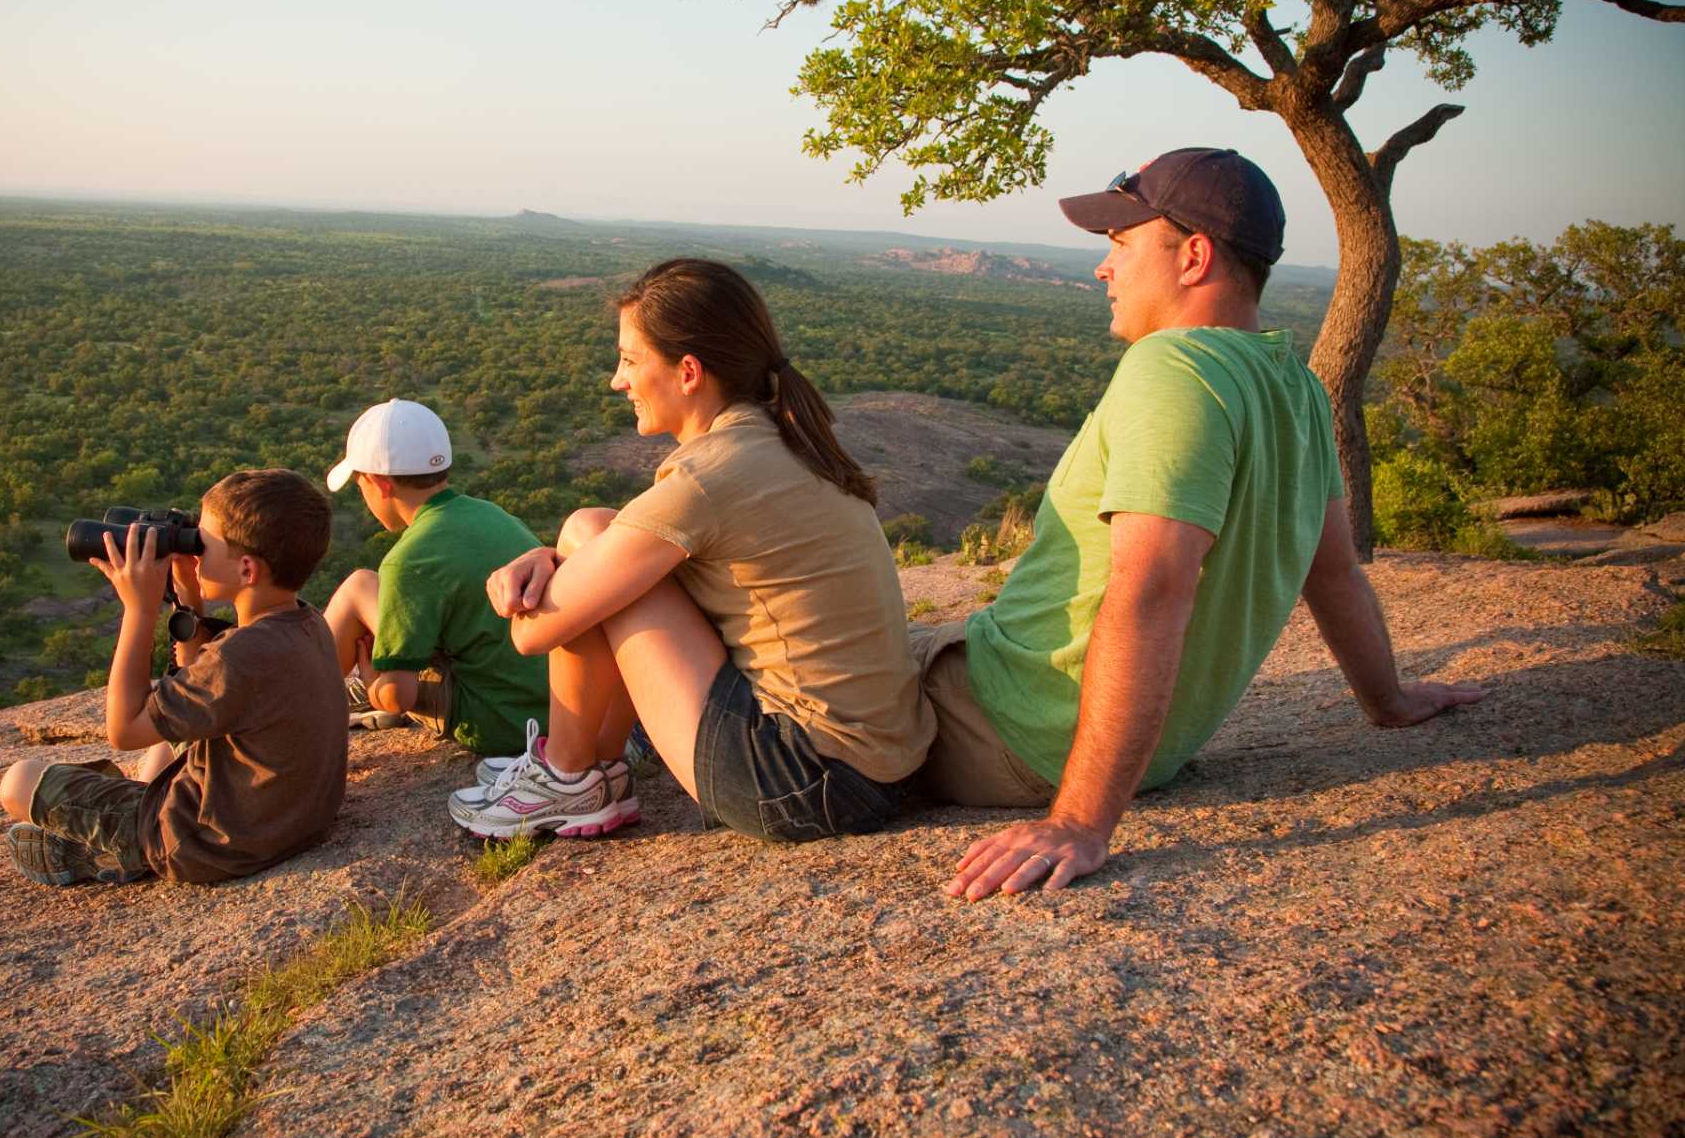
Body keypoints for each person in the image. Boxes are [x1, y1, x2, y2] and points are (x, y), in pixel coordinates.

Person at [922, 147, 1484, 901]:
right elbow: (1335, 571)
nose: (1103, 267)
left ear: (1193, 255)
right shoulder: (1299, 389)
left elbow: (1154, 587)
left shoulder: (1173, 369)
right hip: (1136, 751)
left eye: (1121, 243)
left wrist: (1080, 823)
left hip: (1018, 726)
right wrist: (1389, 700)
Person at [451, 257, 936, 842]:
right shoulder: (781, 439)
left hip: (801, 780)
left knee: (586, 529)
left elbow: (535, 633)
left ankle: (568, 776)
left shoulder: (708, 476)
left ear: (687, 372)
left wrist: (557, 561)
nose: (617, 380)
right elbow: (628, 542)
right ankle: (595, 773)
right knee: (591, 530)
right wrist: (556, 556)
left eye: (629, 360)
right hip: (881, 769)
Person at [0, 468, 346, 886]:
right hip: (288, 826)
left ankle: (120, 850)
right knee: (165, 744)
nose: (194, 552)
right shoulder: (308, 622)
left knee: (17, 782)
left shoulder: (239, 657)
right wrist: (188, 594)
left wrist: (139, 610)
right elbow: (199, 682)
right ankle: (133, 815)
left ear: (247, 570)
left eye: (204, 543)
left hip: (206, 845)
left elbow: (124, 730)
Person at [320, 398, 550, 756]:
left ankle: (304, 705)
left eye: (359, 483)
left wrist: (373, 684)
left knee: (357, 587)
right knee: (372, 588)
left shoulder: (406, 561)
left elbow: (398, 697)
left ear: (380, 484)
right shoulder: (493, 515)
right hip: (547, 708)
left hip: (499, 723)